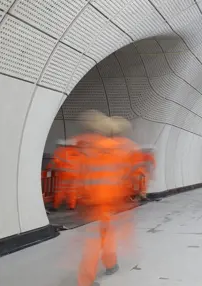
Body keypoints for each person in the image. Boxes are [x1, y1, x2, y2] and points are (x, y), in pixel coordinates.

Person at [76, 113, 136, 286]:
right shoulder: (117, 149)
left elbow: (82, 174)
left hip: (92, 202)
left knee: (101, 238)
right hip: (107, 203)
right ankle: (86, 281)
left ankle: (110, 264)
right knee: (100, 240)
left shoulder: (89, 148)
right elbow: (124, 174)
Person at [48, 139, 81, 211]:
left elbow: (55, 162)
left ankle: (55, 206)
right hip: (74, 174)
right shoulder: (77, 153)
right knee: (72, 190)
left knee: (60, 191)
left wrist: (49, 168)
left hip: (65, 174)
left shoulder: (62, 151)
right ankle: (72, 206)